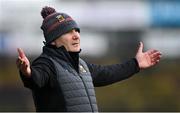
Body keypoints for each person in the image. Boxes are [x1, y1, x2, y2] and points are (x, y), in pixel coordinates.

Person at [16, 6, 162, 112]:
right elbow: (36, 78)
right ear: (53, 40)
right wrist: (27, 72)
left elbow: (109, 72)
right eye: (68, 32)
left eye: (76, 31)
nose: (76, 36)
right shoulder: (46, 62)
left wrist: (136, 64)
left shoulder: (82, 65)